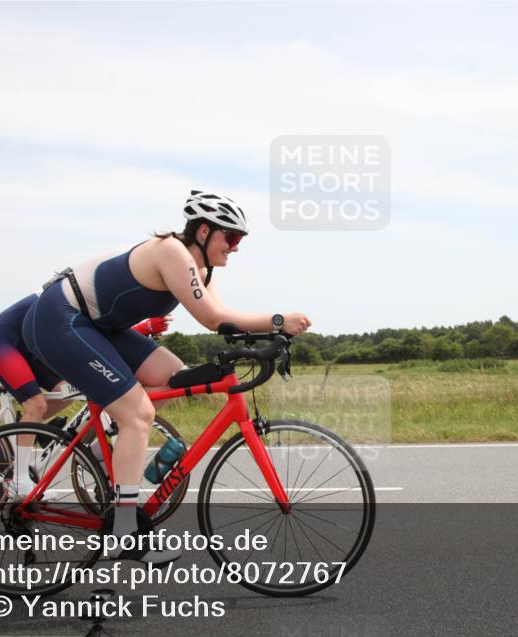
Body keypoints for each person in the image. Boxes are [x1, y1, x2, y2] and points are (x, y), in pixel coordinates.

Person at [22, 190, 311, 562]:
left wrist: (269, 336)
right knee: (139, 413)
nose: (236, 248)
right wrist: (277, 320)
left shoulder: (202, 269)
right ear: (204, 232)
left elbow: (222, 316)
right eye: (233, 237)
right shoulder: (171, 251)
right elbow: (211, 318)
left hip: (98, 327)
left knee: (175, 376)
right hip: (60, 319)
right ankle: (124, 532)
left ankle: (102, 446)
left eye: (240, 240)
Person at [0, 294, 169, 495]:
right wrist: (145, 328)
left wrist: (144, 330)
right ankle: (19, 478)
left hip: (31, 347)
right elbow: (98, 337)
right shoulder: (81, 299)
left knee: (67, 391)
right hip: (0, 341)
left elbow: (103, 338)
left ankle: (27, 428)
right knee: (36, 405)